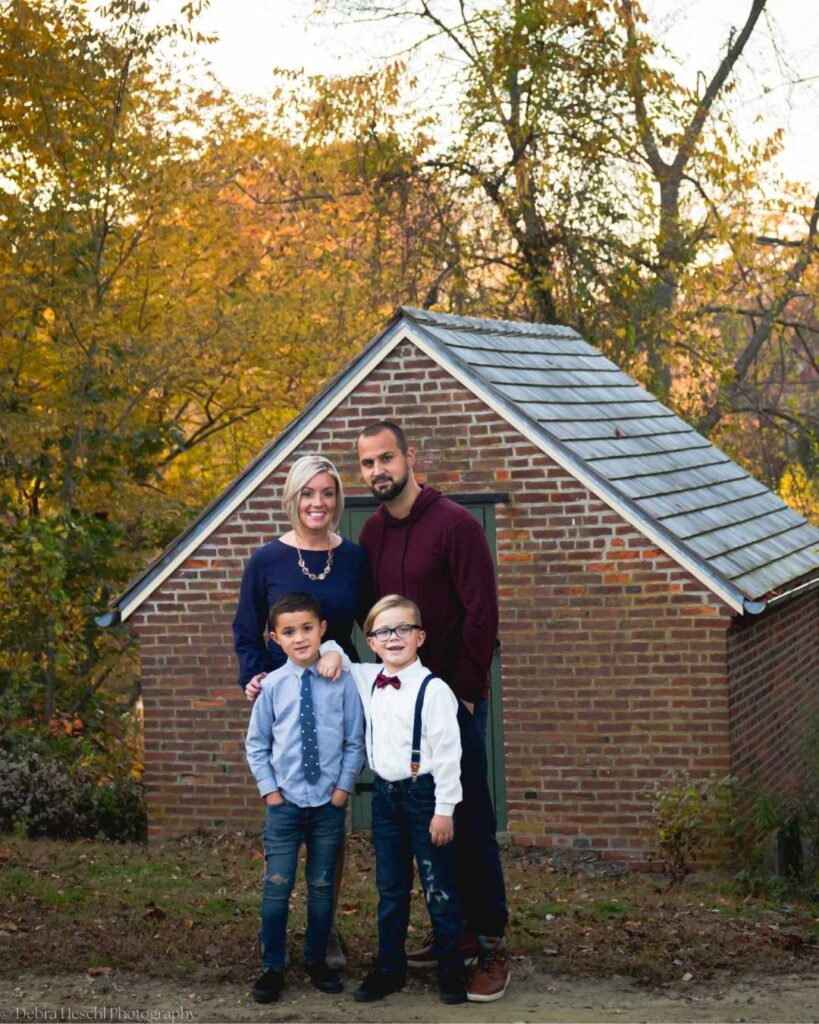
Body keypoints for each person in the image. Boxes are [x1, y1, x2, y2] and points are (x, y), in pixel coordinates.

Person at [356, 421, 510, 1002]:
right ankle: (454, 935)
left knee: (467, 824)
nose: (378, 472)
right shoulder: (370, 534)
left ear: (410, 457)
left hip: (452, 704)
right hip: (400, 713)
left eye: (386, 459)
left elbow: (481, 614)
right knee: (420, 832)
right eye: (367, 463)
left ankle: (490, 943)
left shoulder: (456, 526)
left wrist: (466, 693)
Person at [233, 453, 371, 968]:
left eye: (328, 492)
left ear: (337, 499)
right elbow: (247, 629)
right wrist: (254, 676)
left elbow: (372, 623)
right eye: (308, 493)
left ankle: (324, 930)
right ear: (292, 498)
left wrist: (338, 649)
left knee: (331, 828)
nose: (318, 502)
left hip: (336, 696)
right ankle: (273, 937)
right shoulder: (266, 560)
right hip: (283, 704)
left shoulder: (353, 558)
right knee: (285, 827)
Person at [318, 594, 467, 1005]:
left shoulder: (434, 689)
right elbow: (334, 652)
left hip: (426, 796)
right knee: (390, 888)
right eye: (384, 631)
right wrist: (331, 648)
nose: (394, 637)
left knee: (438, 887)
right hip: (385, 798)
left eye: (403, 629)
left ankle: (452, 972)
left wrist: (444, 810)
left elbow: (451, 754)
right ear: (371, 641)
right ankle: (389, 969)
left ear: (420, 636)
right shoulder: (367, 677)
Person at [245, 592, 365, 1004]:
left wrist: (342, 789)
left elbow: (355, 739)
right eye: (289, 632)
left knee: (321, 885)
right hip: (286, 805)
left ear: (323, 631)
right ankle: (273, 965)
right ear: (275, 638)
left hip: (328, 805)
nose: (300, 638)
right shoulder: (272, 687)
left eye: (307, 629)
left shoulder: (342, 681)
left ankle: (316, 959)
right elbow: (256, 745)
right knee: (277, 886)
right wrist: (271, 792)